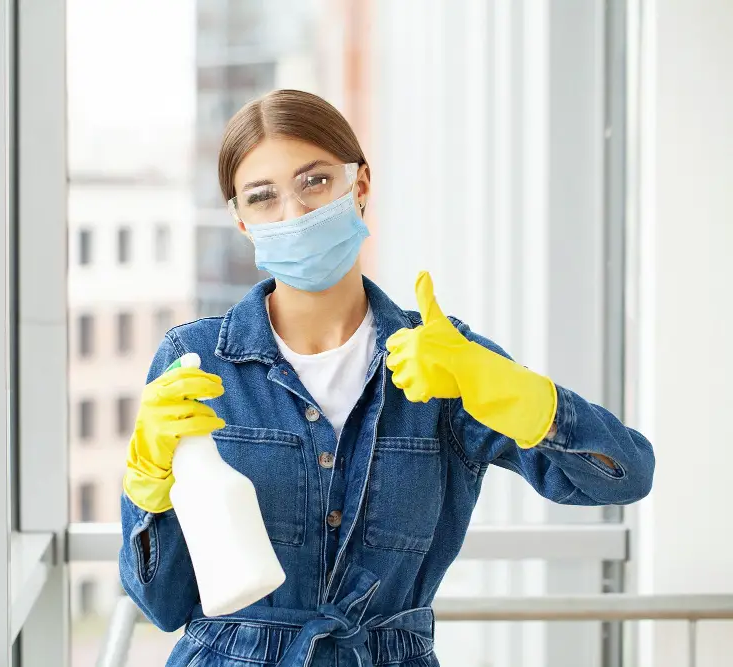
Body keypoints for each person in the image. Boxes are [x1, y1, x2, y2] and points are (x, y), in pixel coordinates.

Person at [118, 89, 655, 667]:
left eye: (316, 181)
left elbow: (624, 476)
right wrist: (148, 484)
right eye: (263, 196)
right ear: (242, 221)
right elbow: (164, 606)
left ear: (361, 186)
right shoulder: (195, 361)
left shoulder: (443, 361)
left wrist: (504, 387)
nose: (293, 214)